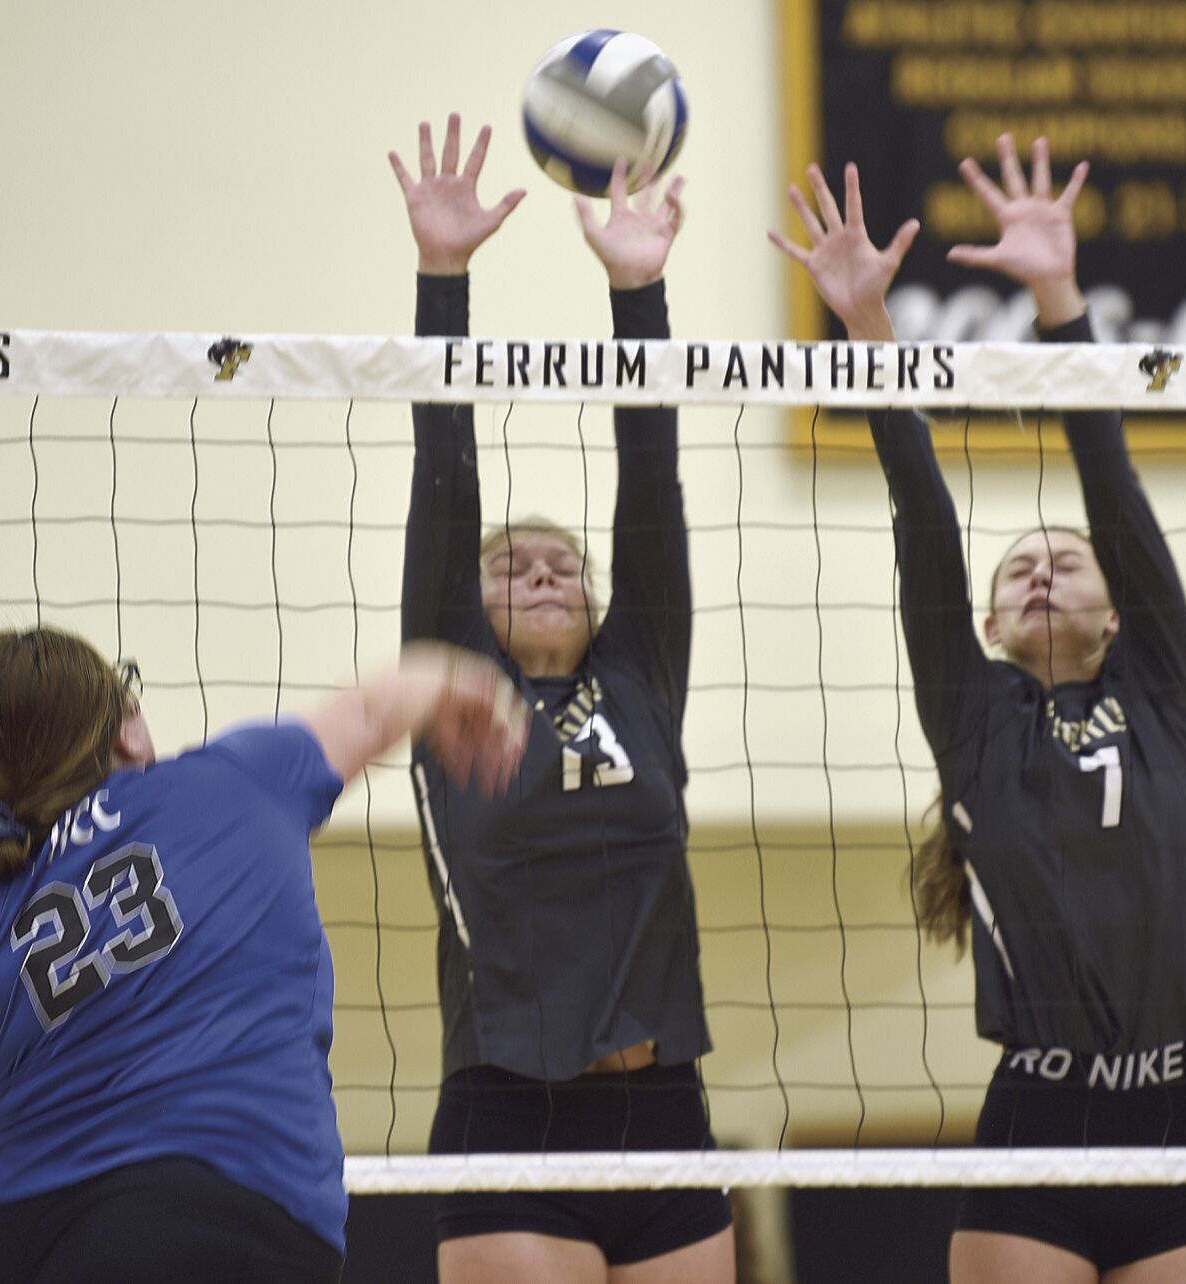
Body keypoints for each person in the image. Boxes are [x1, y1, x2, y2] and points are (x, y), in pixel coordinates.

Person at [770, 135, 1186, 1282]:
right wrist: (866, 329)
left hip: (1180, 1112)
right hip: (1039, 1119)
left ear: (1118, 613)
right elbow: (922, 518)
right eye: (1017, 570)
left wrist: (1057, 300)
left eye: (1066, 564)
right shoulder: (973, 718)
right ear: (986, 628)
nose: (1040, 571)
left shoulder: (1161, 692)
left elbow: (1110, 482)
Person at [0, 626, 528, 1284]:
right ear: (126, 730)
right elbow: (378, 703)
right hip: (208, 1219)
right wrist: (457, 677)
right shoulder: (233, 780)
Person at [389, 113, 735, 1284]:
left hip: (664, 1107)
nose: (543, 574)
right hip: (508, 1116)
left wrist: (638, 292)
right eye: (511, 567)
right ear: (466, 606)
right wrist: (443, 276)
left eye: (562, 566)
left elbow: (651, 482)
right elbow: (443, 481)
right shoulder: (453, 691)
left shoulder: (639, 675)